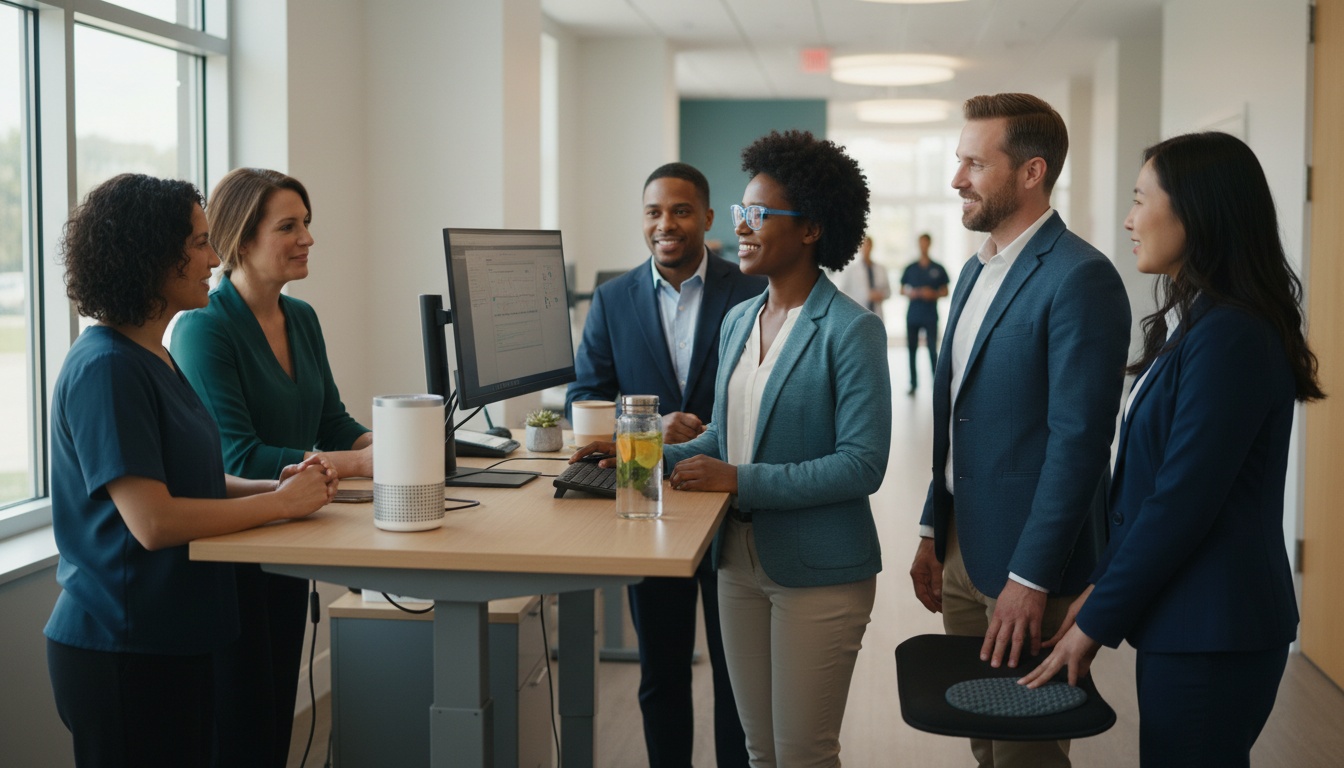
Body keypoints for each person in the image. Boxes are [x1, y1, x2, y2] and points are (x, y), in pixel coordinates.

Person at [581, 130, 891, 766]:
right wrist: (637, 456)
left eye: (758, 215)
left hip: (819, 571)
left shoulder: (851, 331)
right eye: (743, 212)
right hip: (737, 562)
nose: (743, 227)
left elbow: (862, 464)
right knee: (757, 751)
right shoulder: (740, 320)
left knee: (802, 753)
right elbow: (723, 435)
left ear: (809, 229)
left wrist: (740, 480)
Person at [1021, 132, 1321, 768]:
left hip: (1216, 629)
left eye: (1139, 199)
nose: (1129, 219)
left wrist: (1096, 620)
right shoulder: (1193, 318)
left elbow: (1181, 501)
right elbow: (1151, 488)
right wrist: (1101, 586)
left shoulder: (1233, 334)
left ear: (1198, 211)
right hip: (1189, 621)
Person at [44, 173, 337, 767]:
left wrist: (270, 485)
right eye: (201, 242)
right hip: (124, 645)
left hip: (175, 637)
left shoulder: (151, 355)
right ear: (153, 254)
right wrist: (279, 505)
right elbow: (152, 520)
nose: (213, 256)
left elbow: (187, 481)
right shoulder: (107, 368)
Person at [907, 94, 1131, 768]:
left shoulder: (1081, 277)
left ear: (1031, 172)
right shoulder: (975, 270)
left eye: (975, 163)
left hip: (1033, 569)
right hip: (959, 550)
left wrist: (1031, 576)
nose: (957, 179)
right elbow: (958, 415)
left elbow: (1080, 445)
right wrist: (929, 529)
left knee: (1027, 753)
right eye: (958, 162)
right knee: (979, 737)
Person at [170, 168, 371, 767]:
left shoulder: (301, 318)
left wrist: (396, 447)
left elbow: (332, 421)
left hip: (293, 537)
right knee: (245, 724)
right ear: (239, 238)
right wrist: (359, 463)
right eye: (289, 226)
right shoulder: (204, 329)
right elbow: (239, 456)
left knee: (275, 715)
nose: (307, 237)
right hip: (236, 552)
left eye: (306, 223)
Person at [566, 162, 763, 768]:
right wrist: (649, 427)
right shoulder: (612, 299)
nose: (666, 224)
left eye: (680, 211)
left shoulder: (751, 290)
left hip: (734, 506)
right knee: (662, 674)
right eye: (654, 212)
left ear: (707, 218)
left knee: (738, 681)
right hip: (647, 507)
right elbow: (584, 400)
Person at [899, 233, 949, 395]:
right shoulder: (910, 268)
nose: (923, 246)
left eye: (926, 243)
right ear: (918, 245)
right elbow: (901, 289)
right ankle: (913, 384)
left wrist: (933, 294)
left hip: (930, 316)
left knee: (932, 350)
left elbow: (945, 291)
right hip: (913, 315)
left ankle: (936, 383)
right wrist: (911, 293)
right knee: (911, 350)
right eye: (921, 243)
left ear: (930, 244)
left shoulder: (938, 268)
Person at [835, 234, 891, 318]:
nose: (866, 249)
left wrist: (881, 295)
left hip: (877, 313)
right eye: (864, 245)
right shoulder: (851, 270)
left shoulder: (881, 269)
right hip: (858, 312)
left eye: (868, 245)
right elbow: (842, 292)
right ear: (860, 248)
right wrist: (865, 295)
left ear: (872, 247)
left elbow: (888, 292)